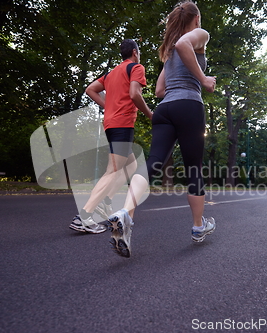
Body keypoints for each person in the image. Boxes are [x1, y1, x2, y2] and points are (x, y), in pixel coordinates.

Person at [106, 1, 217, 257]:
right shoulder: (200, 35)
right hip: (189, 105)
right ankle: (199, 227)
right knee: (194, 168)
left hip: (165, 109)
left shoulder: (168, 54)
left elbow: (158, 91)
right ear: (196, 19)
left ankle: (125, 213)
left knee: (154, 162)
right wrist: (202, 79)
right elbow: (184, 44)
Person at [70, 39, 153, 234]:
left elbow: (90, 89)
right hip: (122, 124)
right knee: (113, 170)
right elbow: (134, 94)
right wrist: (150, 114)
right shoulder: (136, 67)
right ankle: (84, 216)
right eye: (138, 52)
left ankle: (106, 202)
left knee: (131, 165)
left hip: (111, 124)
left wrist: (108, 106)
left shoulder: (111, 73)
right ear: (134, 52)